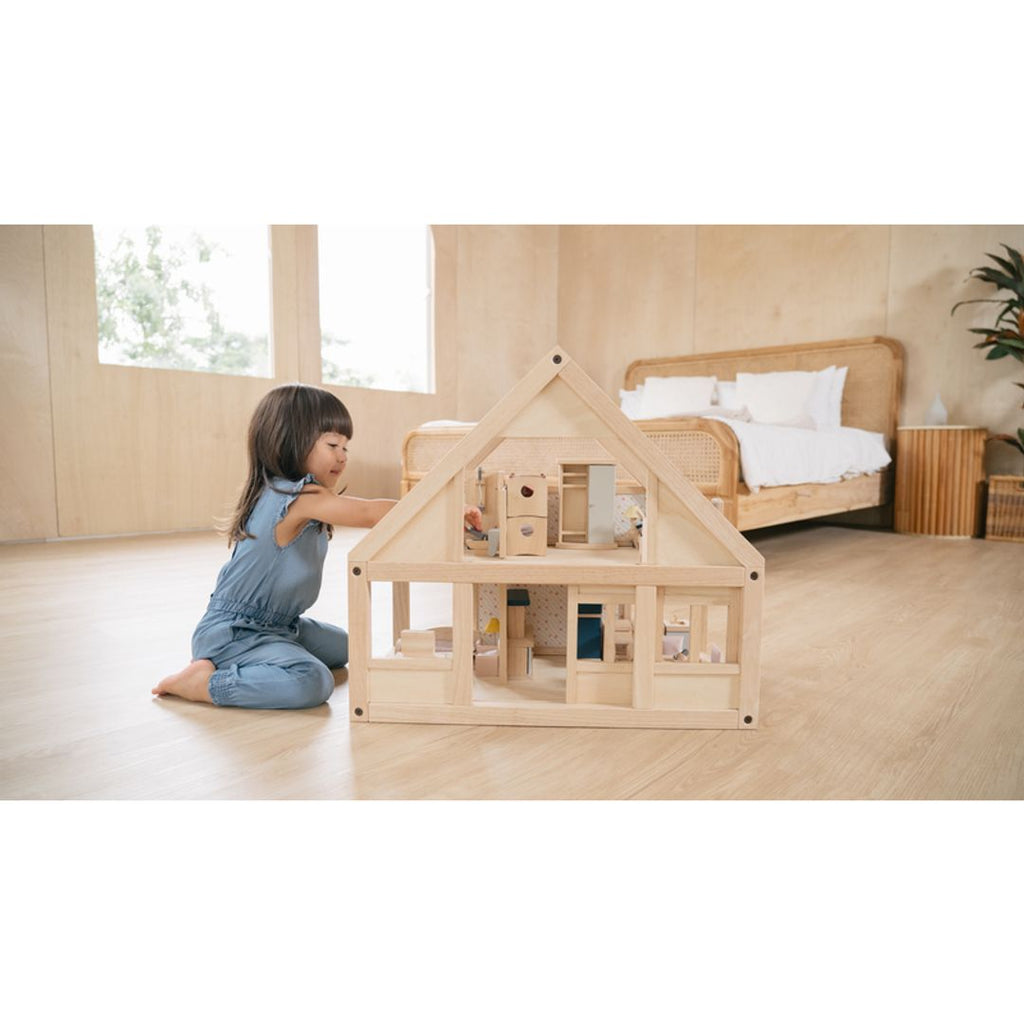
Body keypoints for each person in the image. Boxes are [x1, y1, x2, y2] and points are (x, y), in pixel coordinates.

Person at [153, 382, 482, 709]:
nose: (342, 457)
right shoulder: (297, 497)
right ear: (292, 442)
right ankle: (206, 683)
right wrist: (444, 509)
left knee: (346, 648)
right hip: (236, 632)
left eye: (346, 448)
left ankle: (258, 660)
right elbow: (367, 511)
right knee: (312, 681)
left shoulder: (298, 496)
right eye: (333, 445)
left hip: (282, 624)